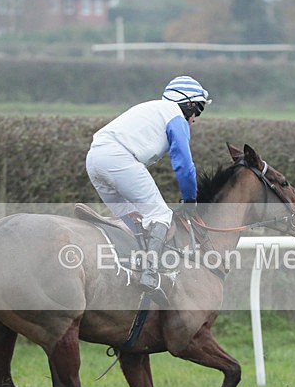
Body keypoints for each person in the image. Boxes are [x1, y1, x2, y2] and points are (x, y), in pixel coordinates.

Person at [85, 76, 211, 307]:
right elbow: (183, 163)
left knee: (137, 219)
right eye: (198, 111)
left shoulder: (156, 110)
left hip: (94, 160)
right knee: (160, 215)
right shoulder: (175, 116)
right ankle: (150, 274)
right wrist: (191, 198)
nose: (194, 120)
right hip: (117, 158)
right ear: (189, 104)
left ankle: (129, 270)